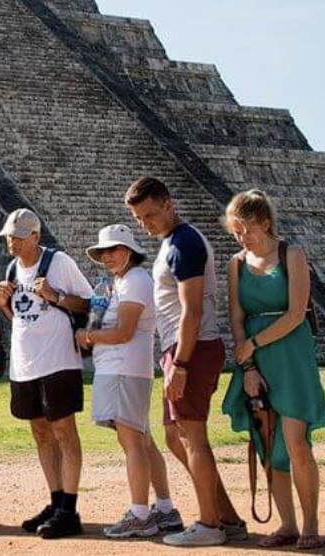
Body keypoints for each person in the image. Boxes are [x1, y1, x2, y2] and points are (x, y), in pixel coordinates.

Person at [124, 177, 247, 547]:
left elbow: (192, 312)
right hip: (179, 349)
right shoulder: (171, 243)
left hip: (191, 348)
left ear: (168, 203)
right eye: (138, 218)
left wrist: (181, 363)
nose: (145, 224)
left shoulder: (185, 243)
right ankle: (226, 517)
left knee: (193, 437)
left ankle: (210, 524)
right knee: (175, 437)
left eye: (149, 215)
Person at [220, 190, 325, 550]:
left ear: (265, 222)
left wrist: (254, 343)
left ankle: (311, 523)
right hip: (256, 359)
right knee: (268, 443)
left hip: (292, 355)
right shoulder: (235, 263)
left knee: (296, 443)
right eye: (236, 231)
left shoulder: (292, 254)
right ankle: (288, 524)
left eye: (245, 228)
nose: (241, 237)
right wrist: (248, 365)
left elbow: (297, 312)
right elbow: (236, 317)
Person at [77, 224, 183, 538]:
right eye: (103, 251)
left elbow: (124, 332)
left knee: (132, 442)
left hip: (123, 369)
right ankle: (164, 508)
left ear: (130, 251)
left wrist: (88, 336)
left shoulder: (135, 281)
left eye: (114, 249)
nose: (108, 256)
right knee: (143, 440)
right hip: (125, 369)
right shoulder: (124, 282)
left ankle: (140, 512)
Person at [0, 208, 92, 539]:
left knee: (64, 430)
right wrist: (4, 305)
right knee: (39, 431)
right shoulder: (12, 269)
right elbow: (21, 320)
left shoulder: (59, 262)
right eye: (10, 235)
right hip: (26, 364)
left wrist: (56, 296)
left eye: (19, 236)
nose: (12, 241)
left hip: (58, 360)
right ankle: (55, 500)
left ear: (35, 236)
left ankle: (69, 508)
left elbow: (89, 303)